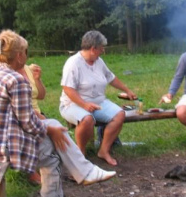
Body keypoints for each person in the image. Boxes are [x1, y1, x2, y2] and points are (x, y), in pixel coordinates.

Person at [0, 30, 116, 197]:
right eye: (26, 51)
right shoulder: (16, 80)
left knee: (52, 124)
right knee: (52, 150)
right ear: (19, 55)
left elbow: (19, 116)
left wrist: (50, 126)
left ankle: (86, 172)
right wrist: (52, 131)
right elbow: (28, 123)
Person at [59, 30, 138, 166]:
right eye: (101, 48)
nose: (103, 51)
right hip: (73, 105)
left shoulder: (98, 61)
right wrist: (84, 105)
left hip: (99, 102)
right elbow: (67, 89)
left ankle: (103, 151)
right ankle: (81, 155)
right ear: (93, 49)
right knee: (87, 119)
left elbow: (111, 78)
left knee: (119, 114)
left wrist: (127, 90)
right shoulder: (73, 63)